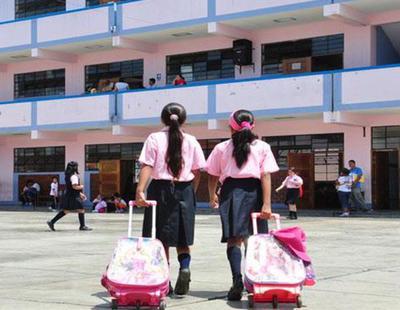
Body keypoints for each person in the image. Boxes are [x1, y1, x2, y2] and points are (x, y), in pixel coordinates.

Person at [206, 109, 279, 301]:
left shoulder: (221, 148)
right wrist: (267, 204)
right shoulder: (262, 146)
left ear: (231, 127)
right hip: (255, 192)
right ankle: (254, 282)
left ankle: (236, 280)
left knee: (234, 239)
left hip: (230, 192)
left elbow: (212, 175)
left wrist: (212, 195)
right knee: (255, 240)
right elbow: (266, 176)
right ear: (253, 125)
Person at [135, 103, 206, 296]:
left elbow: (147, 165)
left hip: (160, 190)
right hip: (185, 190)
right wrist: (192, 190)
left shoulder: (154, 138)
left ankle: (165, 280)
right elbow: (197, 170)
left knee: (160, 238)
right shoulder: (191, 140)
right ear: (184, 120)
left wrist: (140, 189)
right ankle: (184, 268)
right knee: (183, 237)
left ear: (162, 119)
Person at [47, 161, 92, 231]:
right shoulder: (74, 176)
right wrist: (81, 187)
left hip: (69, 195)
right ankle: (82, 226)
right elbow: (74, 187)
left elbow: (70, 187)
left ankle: (52, 222)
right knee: (81, 209)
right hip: (73, 196)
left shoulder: (67, 176)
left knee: (66, 211)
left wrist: (80, 194)